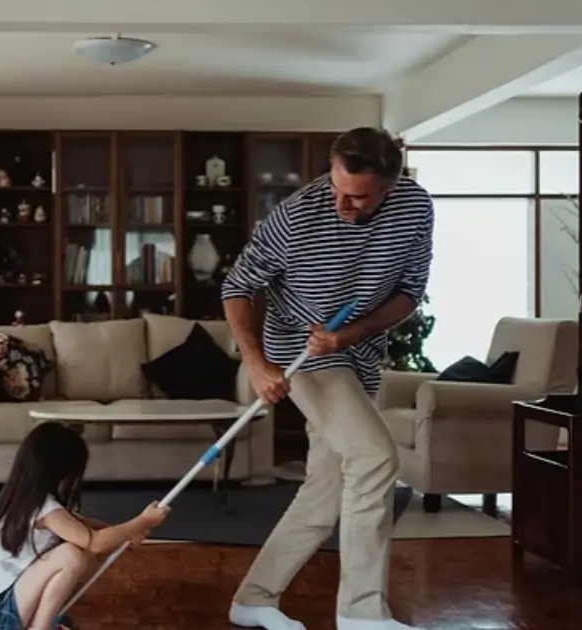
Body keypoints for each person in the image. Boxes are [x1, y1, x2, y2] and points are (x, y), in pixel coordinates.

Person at [220, 127, 434, 630]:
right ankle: (361, 612)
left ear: (389, 186)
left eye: (357, 197)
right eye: (336, 187)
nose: (342, 203)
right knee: (375, 457)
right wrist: (255, 363)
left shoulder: (414, 209)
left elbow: (408, 291)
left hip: (355, 350)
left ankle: (253, 598)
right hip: (299, 348)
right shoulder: (298, 214)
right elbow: (238, 285)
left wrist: (353, 332)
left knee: (326, 484)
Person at [0, 422, 171, 630]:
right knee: (71, 554)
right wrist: (141, 521)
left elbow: (84, 525)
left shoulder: (27, 500)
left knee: (79, 551)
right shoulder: (44, 509)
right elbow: (96, 542)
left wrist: (125, 533)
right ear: (61, 472)